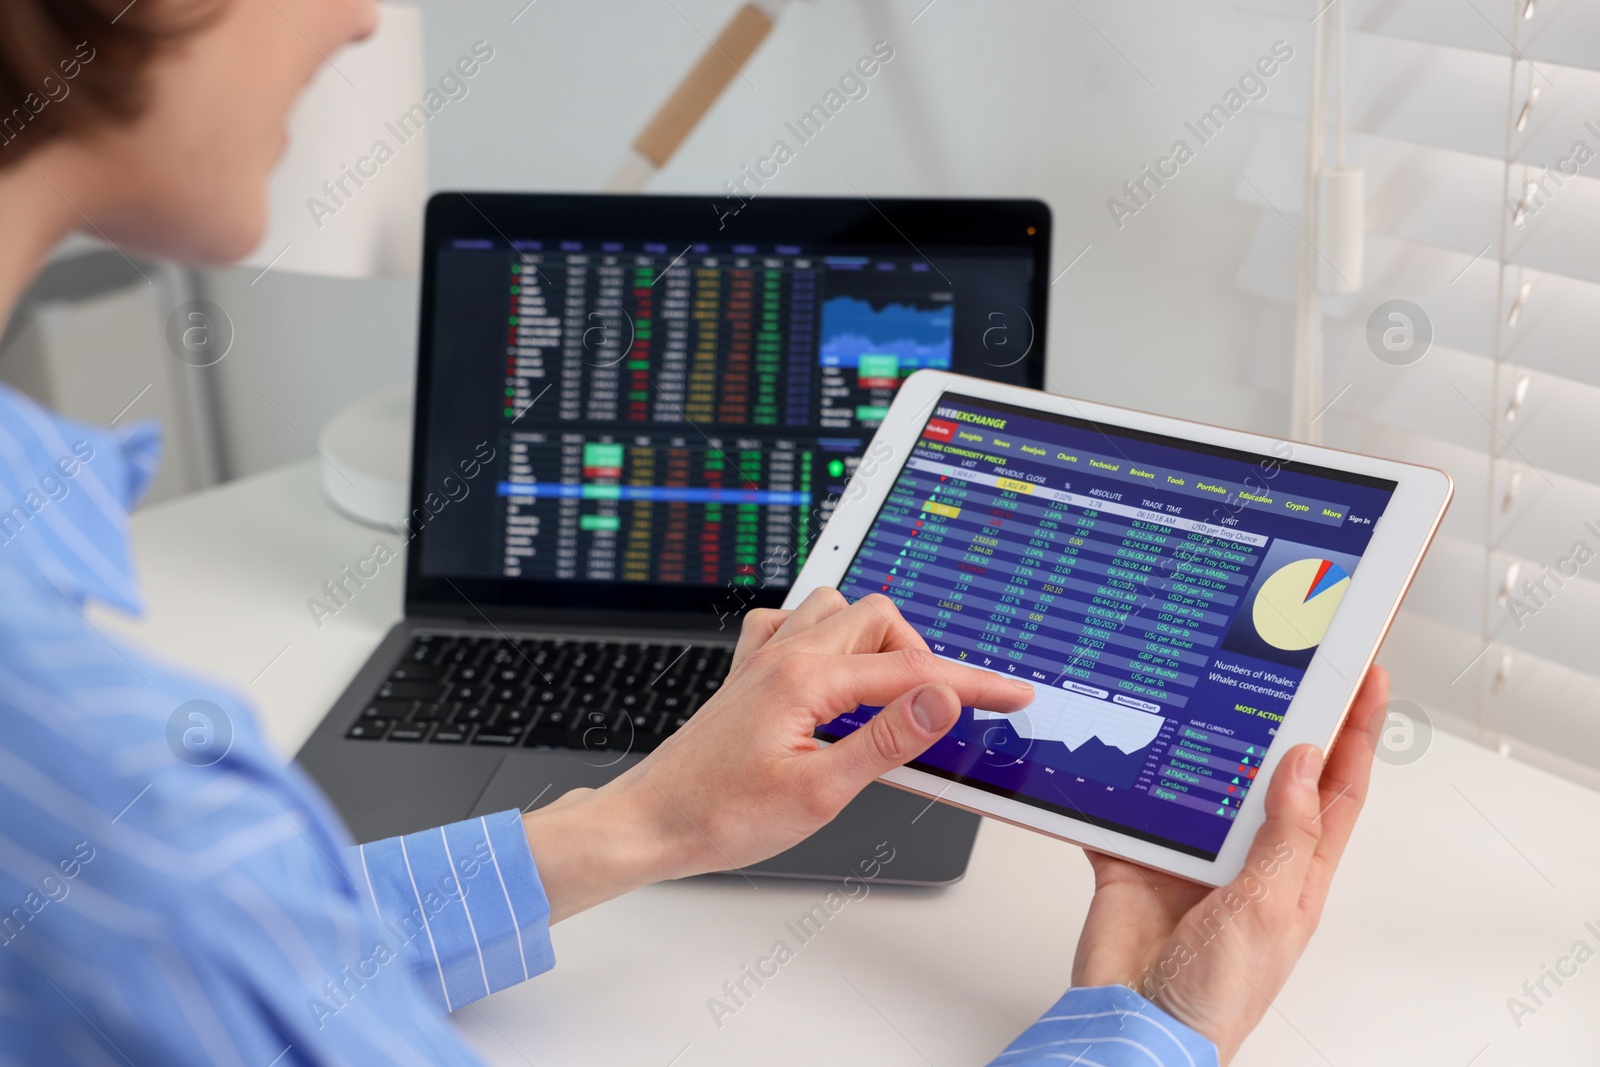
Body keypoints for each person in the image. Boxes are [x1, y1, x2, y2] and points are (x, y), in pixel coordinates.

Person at [0, 1, 1388, 1063]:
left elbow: (243, 938)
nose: (361, 17)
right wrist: (1154, 1023)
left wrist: (637, 822)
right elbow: (194, 914)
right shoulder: (114, 797)